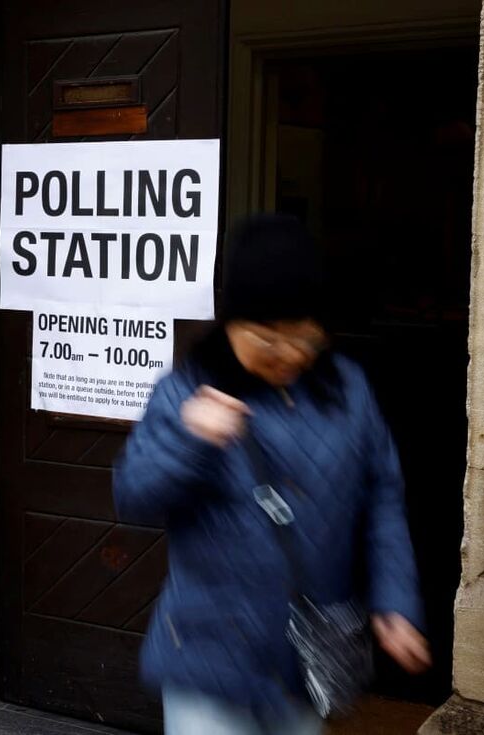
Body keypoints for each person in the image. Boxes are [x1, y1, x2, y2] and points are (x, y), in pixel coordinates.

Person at [112, 214, 431, 735]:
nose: (286, 354)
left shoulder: (348, 390)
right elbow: (133, 496)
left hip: (303, 670)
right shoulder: (185, 391)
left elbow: (382, 499)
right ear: (232, 322)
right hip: (207, 665)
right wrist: (189, 441)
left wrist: (394, 599)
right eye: (266, 338)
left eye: (302, 338)